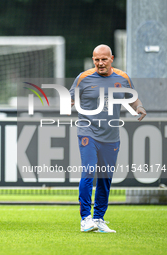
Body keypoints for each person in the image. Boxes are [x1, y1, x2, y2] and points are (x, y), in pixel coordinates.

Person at [69, 44, 146, 233]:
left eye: (104, 59)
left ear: (112, 58)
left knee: (105, 178)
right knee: (88, 171)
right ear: (93, 59)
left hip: (111, 136)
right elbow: (70, 100)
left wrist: (139, 107)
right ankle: (85, 219)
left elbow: (132, 97)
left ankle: (99, 218)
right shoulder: (83, 78)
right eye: (96, 60)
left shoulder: (123, 77)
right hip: (88, 133)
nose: (100, 63)